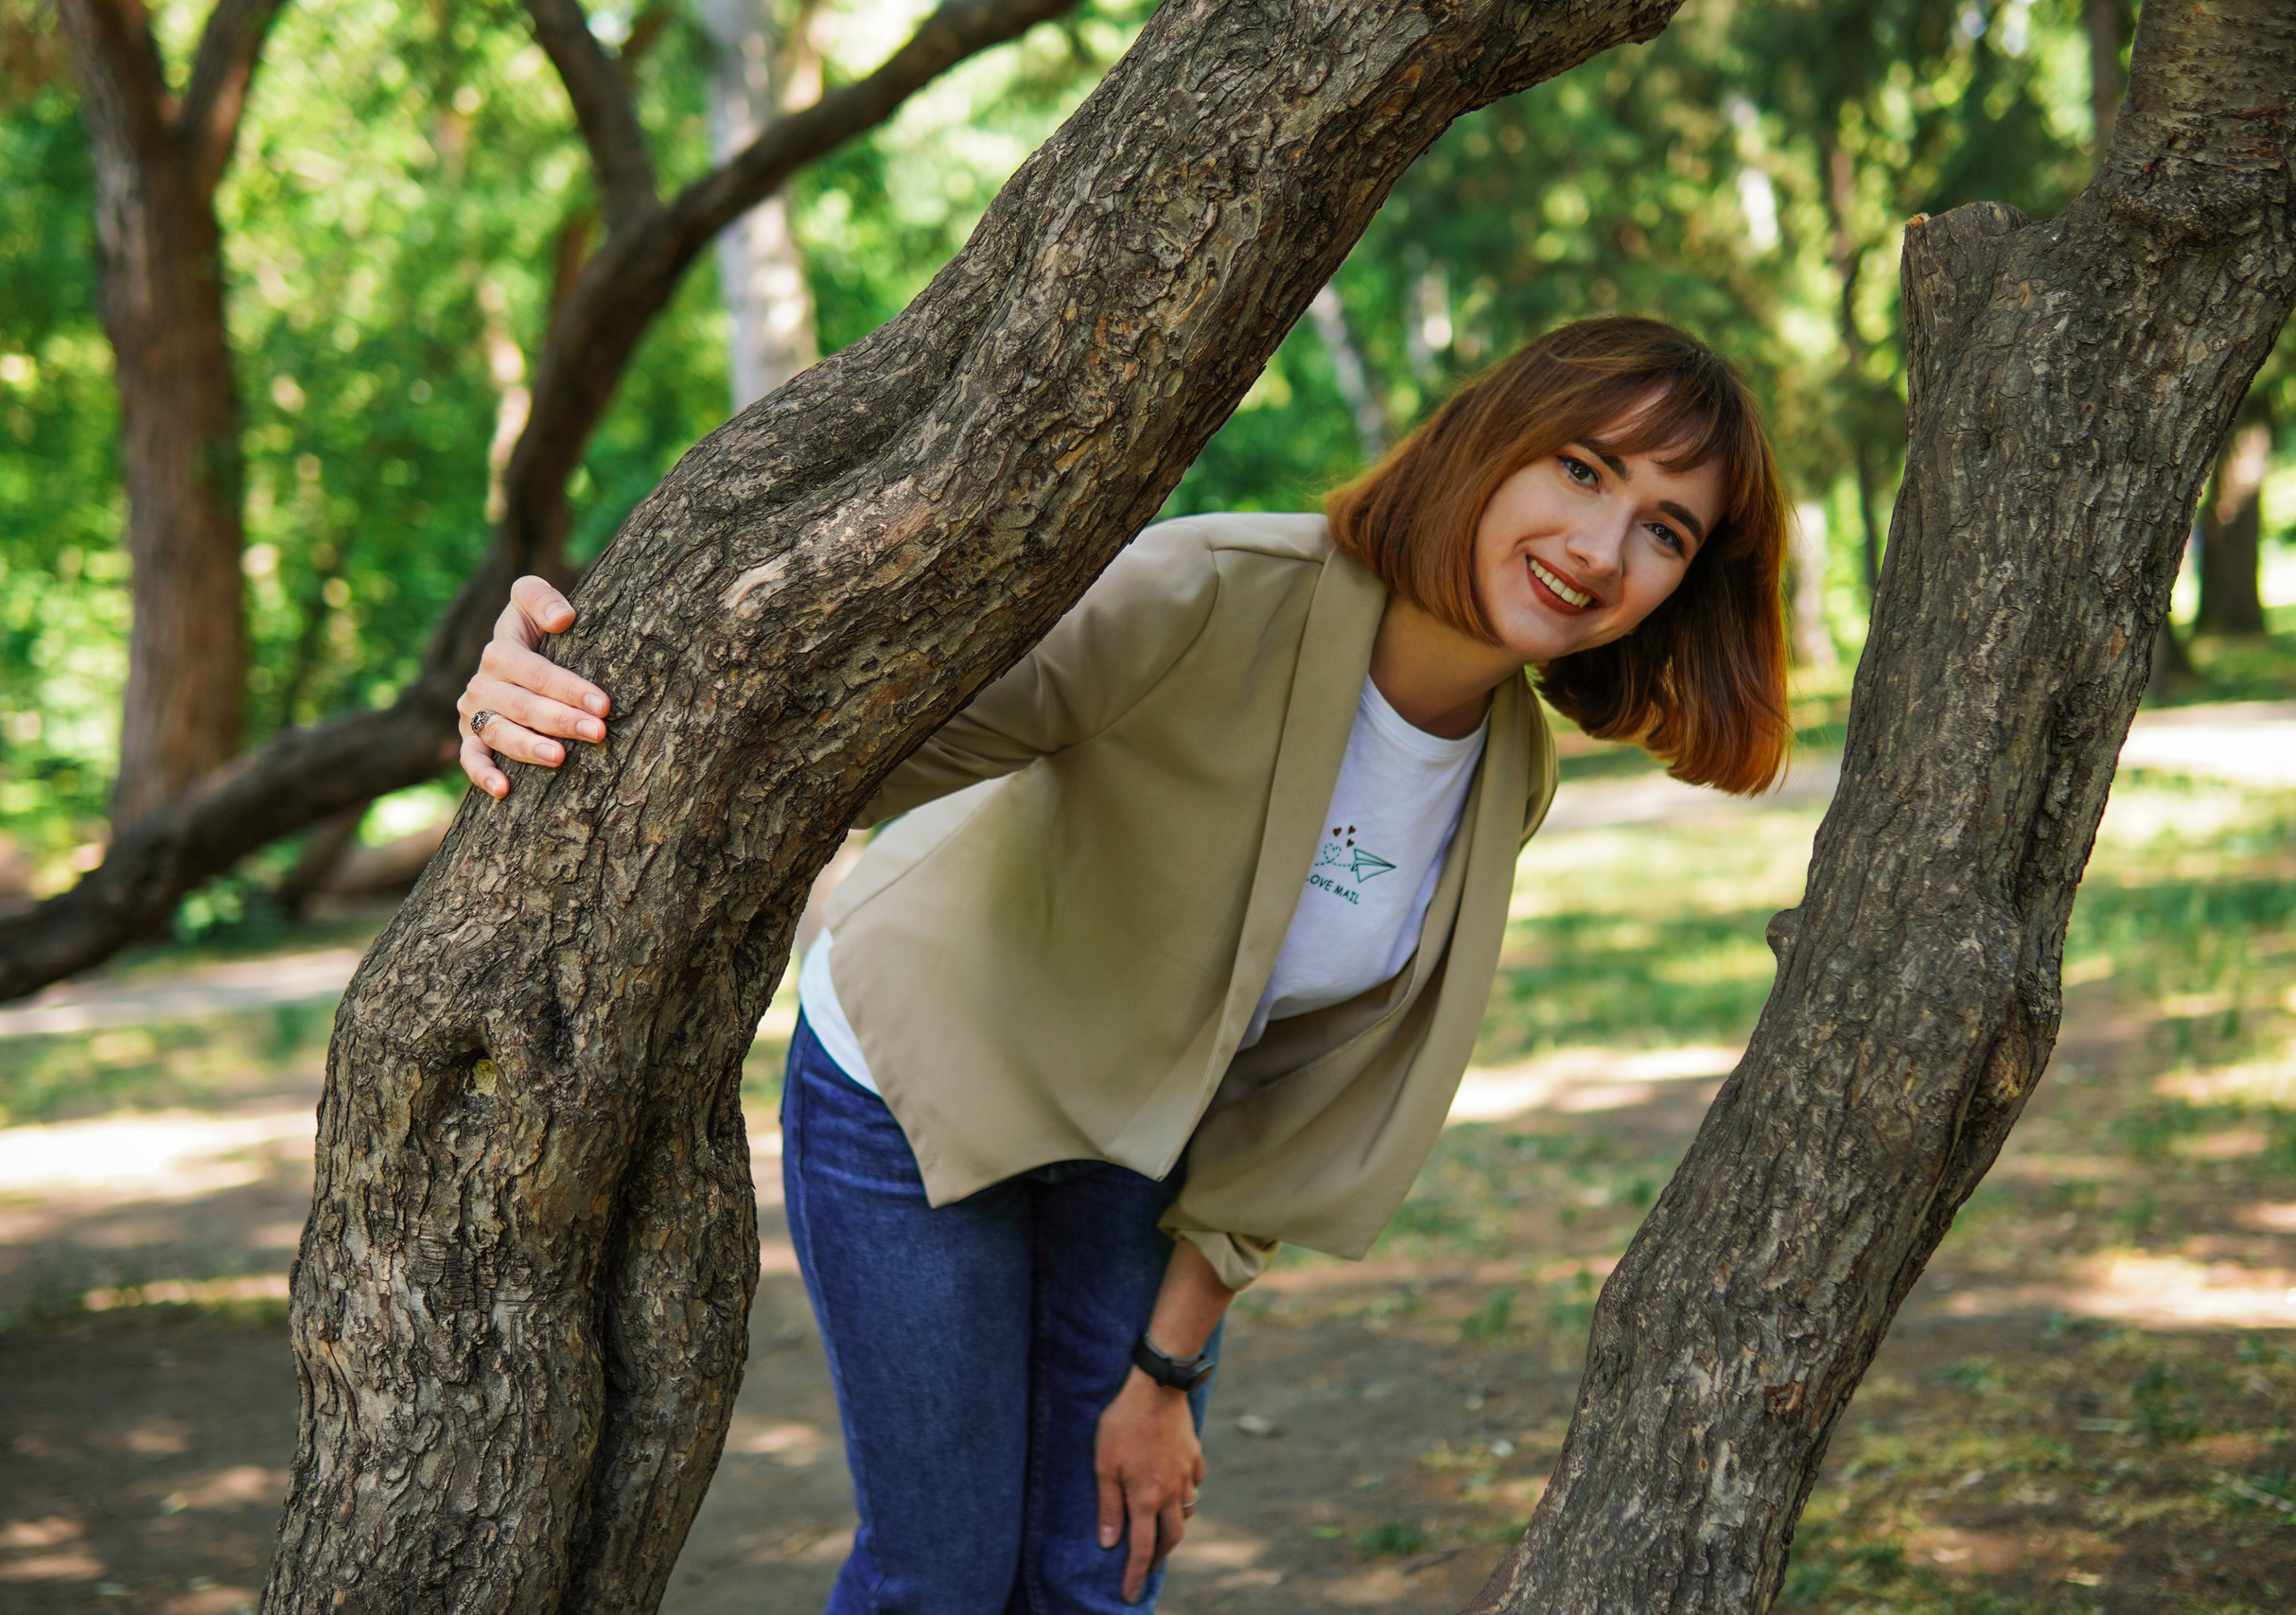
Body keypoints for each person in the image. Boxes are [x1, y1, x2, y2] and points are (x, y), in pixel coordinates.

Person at [455, 315, 1788, 1613]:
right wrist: (573, 667)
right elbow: (856, 725)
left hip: (1142, 1143)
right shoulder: (1212, 592)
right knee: (947, 1578)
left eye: (1665, 529)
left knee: (1099, 1574)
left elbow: (1299, 1082)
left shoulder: (1510, 771)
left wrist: (1167, 1374)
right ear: (1493, 447)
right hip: (921, 1084)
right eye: (1584, 468)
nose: (1603, 547)